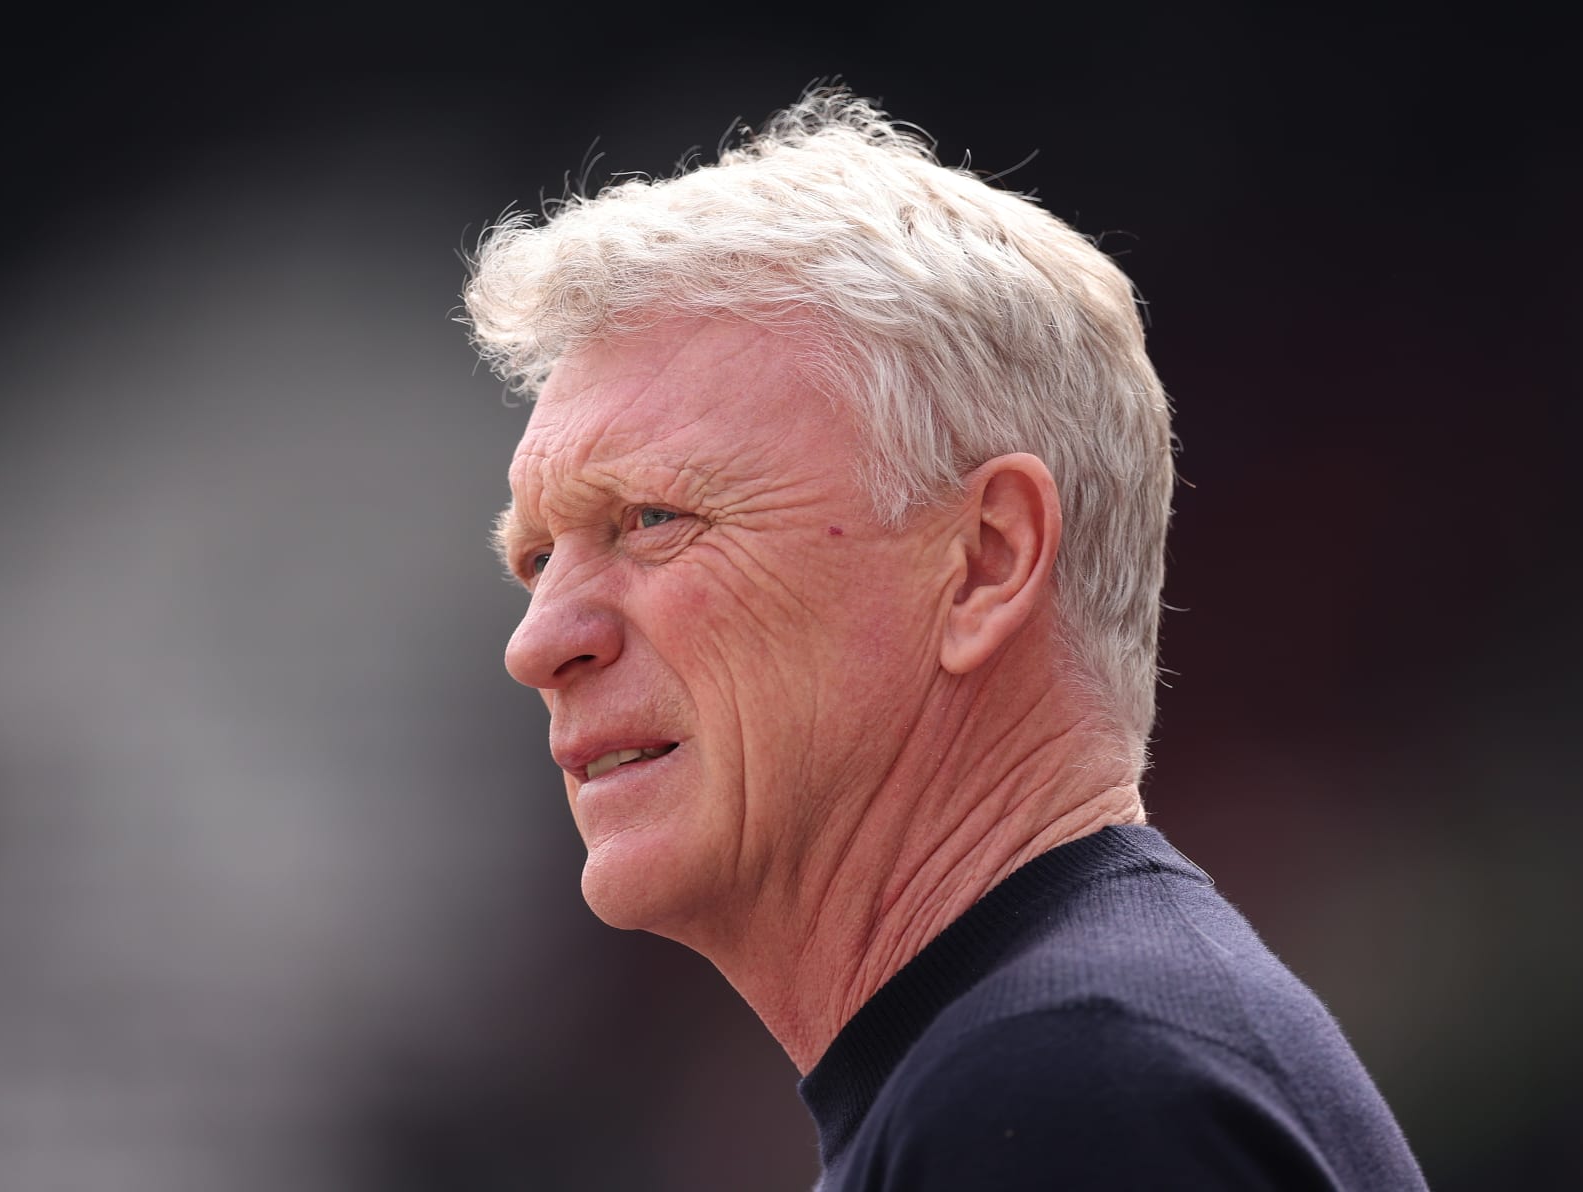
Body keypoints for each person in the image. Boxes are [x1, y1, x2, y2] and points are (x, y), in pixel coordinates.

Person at [464, 88, 1427, 1190]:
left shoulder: (1065, 1091)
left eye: (651, 519)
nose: (540, 642)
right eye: (536, 557)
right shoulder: (1059, 1062)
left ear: (986, 561)